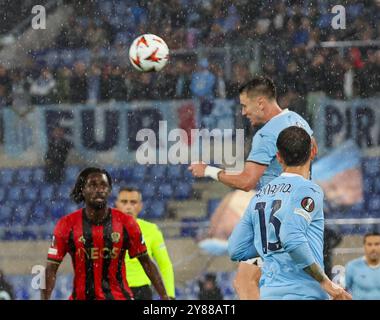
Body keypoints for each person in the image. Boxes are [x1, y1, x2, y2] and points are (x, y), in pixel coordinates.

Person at [189, 76, 315, 299]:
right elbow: (313, 150)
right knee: (248, 280)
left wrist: (208, 170)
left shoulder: (266, 135)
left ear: (261, 103)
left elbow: (246, 182)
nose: (243, 112)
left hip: (275, 216)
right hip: (299, 211)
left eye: (245, 106)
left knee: (248, 282)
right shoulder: (298, 120)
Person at [228, 126, 351, 300]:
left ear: (278, 157)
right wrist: (327, 284)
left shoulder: (260, 196)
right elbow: (291, 238)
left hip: (269, 294)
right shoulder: (309, 190)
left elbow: (235, 248)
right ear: (312, 152)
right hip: (305, 294)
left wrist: (271, 247)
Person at [41, 167, 169, 300]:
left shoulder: (126, 223)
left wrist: (165, 296)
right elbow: (51, 268)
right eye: (92, 185)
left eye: (103, 185)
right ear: (82, 190)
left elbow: (146, 262)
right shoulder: (67, 224)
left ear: (109, 190)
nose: (99, 190)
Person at [115, 187, 175, 300]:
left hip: (141, 292)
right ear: (117, 205)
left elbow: (165, 265)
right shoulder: (105, 230)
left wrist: (170, 295)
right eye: (124, 202)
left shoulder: (151, 230)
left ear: (140, 206)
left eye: (133, 202)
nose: (128, 206)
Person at [344, 232, 380, 299]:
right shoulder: (352, 266)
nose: (373, 248)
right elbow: (343, 291)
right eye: (369, 244)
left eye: (377, 244)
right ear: (364, 246)